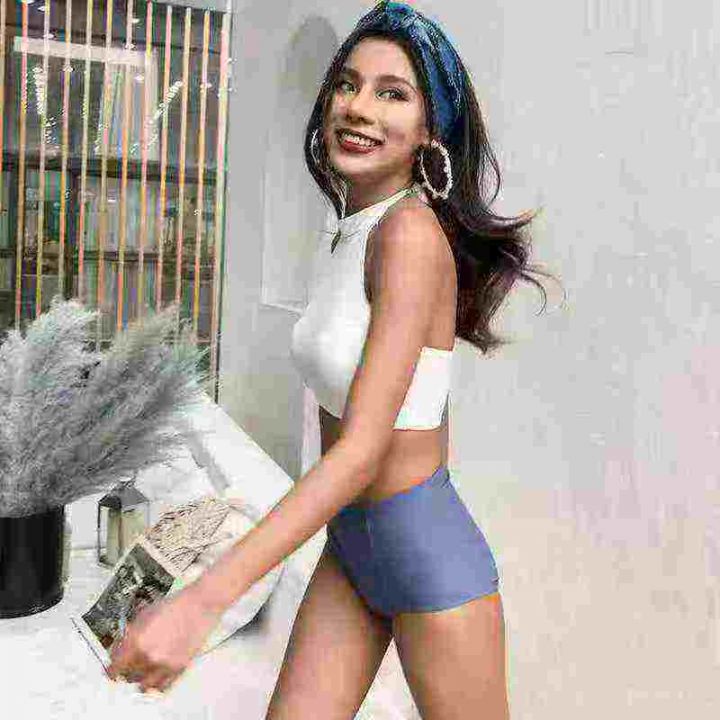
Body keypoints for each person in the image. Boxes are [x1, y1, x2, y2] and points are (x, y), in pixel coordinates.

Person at [107, 2, 556, 717]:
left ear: (429, 128)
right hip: (353, 543)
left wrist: (203, 600)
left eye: (392, 93)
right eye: (348, 84)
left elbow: (363, 451)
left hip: (425, 553)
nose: (359, 107)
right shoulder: (351, 228)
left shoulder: (409, 235)